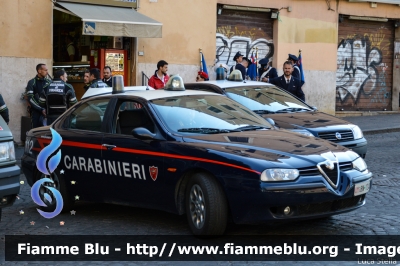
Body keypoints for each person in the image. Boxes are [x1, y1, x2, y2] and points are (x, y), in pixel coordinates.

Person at [25, 63, 51, 128]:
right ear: (39, 71)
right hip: (36, 112)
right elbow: (30, 98)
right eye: (45, 70)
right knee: (35, 132)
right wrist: (41, 109)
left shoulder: (49, 82)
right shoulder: (32, 82)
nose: (47, 72)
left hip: (48, 112)